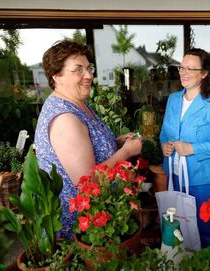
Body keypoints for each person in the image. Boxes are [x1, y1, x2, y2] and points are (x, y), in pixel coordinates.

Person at [34, 41, 142, 240]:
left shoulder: (77, 102)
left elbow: (87, 144)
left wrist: (116, 142)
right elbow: (88, 182)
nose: (89, 75)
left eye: (88, 68)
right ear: (56, 76)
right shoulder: (65, 119)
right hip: (81, 231)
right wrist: (126, 152)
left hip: (98, 218)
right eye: (78, 69)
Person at [160, 48, 210, 248]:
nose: (183, 72)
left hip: (204, 180)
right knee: (178, 230)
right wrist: (164, 146)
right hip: (174, 176)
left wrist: (193, 148)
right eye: (181, 67)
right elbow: (165, 133)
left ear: (204, 73)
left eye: (191, 69)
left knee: (204, 232)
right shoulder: (173, 99)